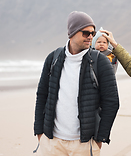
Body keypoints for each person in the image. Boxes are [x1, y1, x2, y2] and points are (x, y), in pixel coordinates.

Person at [34, 11, 119, 156]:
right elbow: (42, 95)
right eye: (86, 33)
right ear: (72, 33)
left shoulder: (101, 62)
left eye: (93, 32)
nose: (91, 37)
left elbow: (112, 102)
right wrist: (39, 132)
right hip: (52, 142)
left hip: (84, 145)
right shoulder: (53, 58)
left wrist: (100, 139)